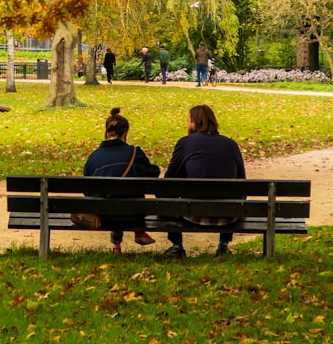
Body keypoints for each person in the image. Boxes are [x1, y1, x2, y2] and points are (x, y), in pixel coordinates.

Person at [163, 104, 246, 257]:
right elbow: (242, 181)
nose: (186, 124)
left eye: (188, 121)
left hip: (192, 213)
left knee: (166, 194)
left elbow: (168, 181)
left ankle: (177, 246)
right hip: (228, 215)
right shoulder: (231, 144)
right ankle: (223, 245)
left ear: (194, 123)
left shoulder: (185, 143)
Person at [82, 107, 160, 253]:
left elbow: (88, 190)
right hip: (133, 215)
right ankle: (139, 230)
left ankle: (116, 246)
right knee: (130, 196)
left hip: (105, 217)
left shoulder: (94, 157)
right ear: (125, 133)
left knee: (112, 199)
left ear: (106, 133)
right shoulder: (135, 153)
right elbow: (153, 174)